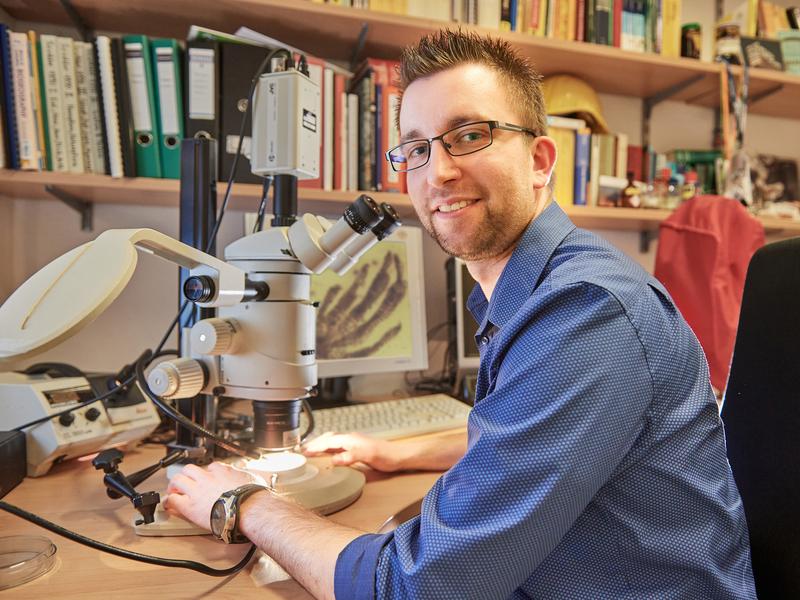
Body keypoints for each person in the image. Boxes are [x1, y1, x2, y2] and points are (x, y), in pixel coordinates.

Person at [164, 29, 756, 599]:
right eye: (417, 148)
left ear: (540, 161)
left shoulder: (587, 312)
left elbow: (416, 587)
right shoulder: (528, 292)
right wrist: (398, 453)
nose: (438, 172)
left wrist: (244, 502)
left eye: (468, 135)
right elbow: (522, 430)